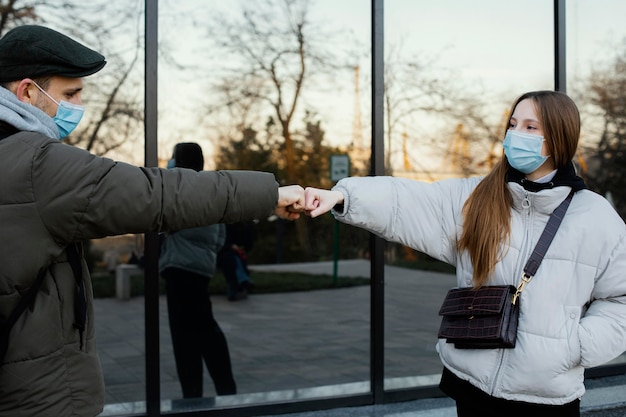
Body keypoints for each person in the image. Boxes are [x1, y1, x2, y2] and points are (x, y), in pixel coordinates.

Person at [0, 25, 304, 417]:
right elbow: (158, 194)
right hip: (37, 396)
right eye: (70, 94)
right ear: (26, 91)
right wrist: (272, 194)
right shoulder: (37, 164)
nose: (77, 106)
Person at [303, 91, 626, 417]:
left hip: (547, 397)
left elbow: (621, 300)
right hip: (471, 386)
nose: (516, 135)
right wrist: (342, 196)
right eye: (513, 124)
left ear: (559, 137)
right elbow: (406, 202)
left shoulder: (596, 217)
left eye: (530, 127)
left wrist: (577, 347)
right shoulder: (477, 198)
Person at [159, 142, 237, 398]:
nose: (169, 162)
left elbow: (167, 219)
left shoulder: (183, 188)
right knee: (204, 330)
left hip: (180, 268)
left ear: (180, 161)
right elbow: (220, 236)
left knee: (187, 338)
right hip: (200, 269)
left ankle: (195, 396)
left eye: (172, 157)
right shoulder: (212, 188)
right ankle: (223, 388)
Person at [217, 221, 256, 301]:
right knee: (231, 259)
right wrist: (231, 247)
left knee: (235, 259)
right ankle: (242, 281)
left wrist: (239, 248)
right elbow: (220, 243)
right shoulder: (223, 226)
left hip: (236, 256)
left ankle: (236, 285)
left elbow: (248, 244)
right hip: (223, 255)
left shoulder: (243, 227)